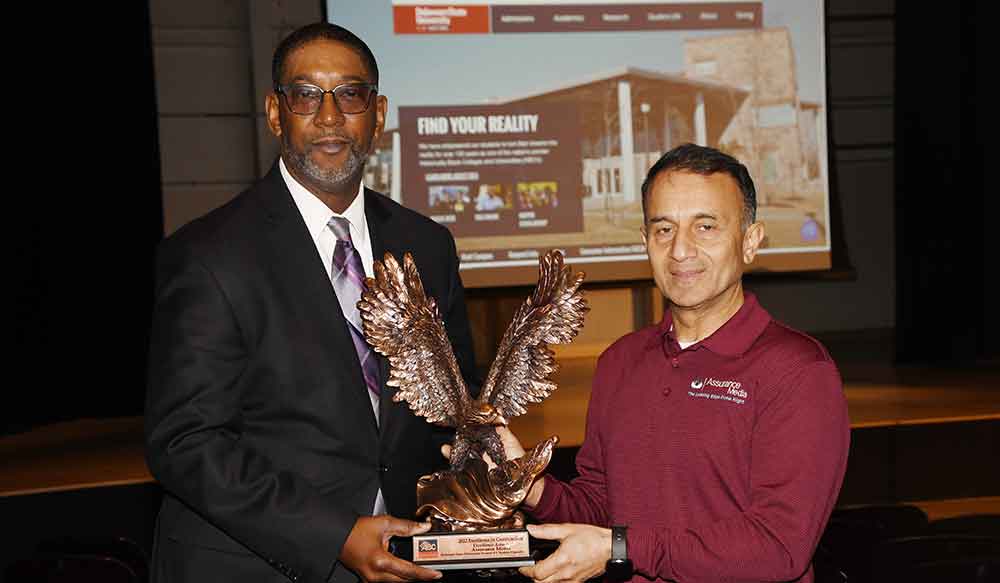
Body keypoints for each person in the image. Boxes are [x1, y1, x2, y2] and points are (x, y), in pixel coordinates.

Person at [144, 22, 478, 583]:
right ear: (276, 113)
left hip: (405, 559)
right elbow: (186, 441)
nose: (329, 117)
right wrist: (333, 533)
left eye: (350, 95)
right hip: (256, 565)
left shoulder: (428, 246)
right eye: (306, 95)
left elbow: (451, 403)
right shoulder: (208, 255)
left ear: (379, 114)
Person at [499, 143, 850, 583]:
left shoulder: (798, 371)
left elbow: (779, 547)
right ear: (645, 242)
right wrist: (531, 487)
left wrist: (623, 549)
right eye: (664, 230)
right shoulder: (620, 362)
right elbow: (604, 507)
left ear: (750, 242)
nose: (681, 250)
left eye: (706, 227)